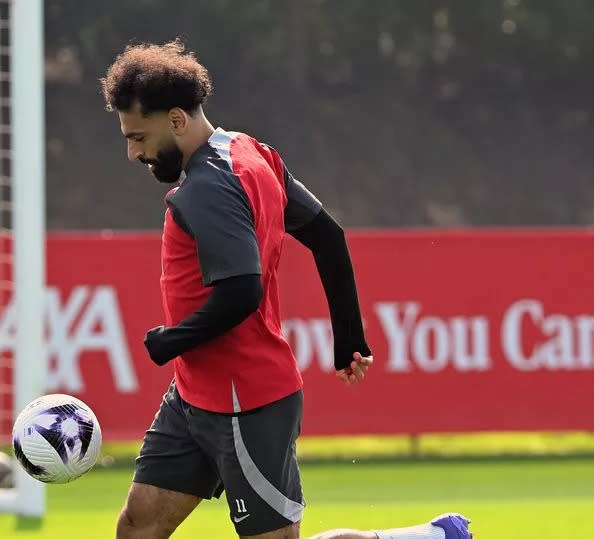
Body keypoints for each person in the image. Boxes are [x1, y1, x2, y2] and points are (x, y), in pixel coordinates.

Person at [100, 39, 472, 539]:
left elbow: (242, 292)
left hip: (246, 402)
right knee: (137, 529)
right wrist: (348, 336)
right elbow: (328, 237)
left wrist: (172, 340)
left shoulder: (207, 188)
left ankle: (427, 536)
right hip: (194, 398)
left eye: (138, 136)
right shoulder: (251, 153)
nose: (132, 153)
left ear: (175, 120)